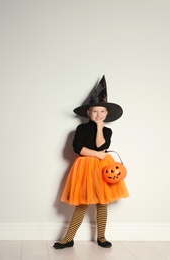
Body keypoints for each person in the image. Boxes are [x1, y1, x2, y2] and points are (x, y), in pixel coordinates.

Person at [54, 75, 129, 249]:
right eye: (95, 111)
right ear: (88, 113)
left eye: (102, 111)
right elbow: (78, 148)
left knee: (102, 203)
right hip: (85, 168)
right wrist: (97, 154)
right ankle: (68, 238)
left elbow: (101, 144)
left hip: (103, 169)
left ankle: (101, 237)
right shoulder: (81, 128)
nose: (98, 114)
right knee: (82, 203)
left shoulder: (107, 131)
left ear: (107, 114)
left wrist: (101, 128)